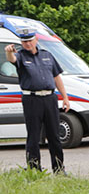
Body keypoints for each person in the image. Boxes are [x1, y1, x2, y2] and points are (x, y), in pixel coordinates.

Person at [4, 29, 70, 173]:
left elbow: (56, 76)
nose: (27, 44)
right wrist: (8, 51)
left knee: (54, 135)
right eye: (24, 41)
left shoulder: (47, 55)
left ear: (36, 41)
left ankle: (59, 169)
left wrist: (65, 97)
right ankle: (34, 169)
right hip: (32, 99)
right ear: (21, 43)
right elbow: (12, 59)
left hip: (50, 98)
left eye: (30, 40)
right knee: (33, 136)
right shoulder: (20, 56)